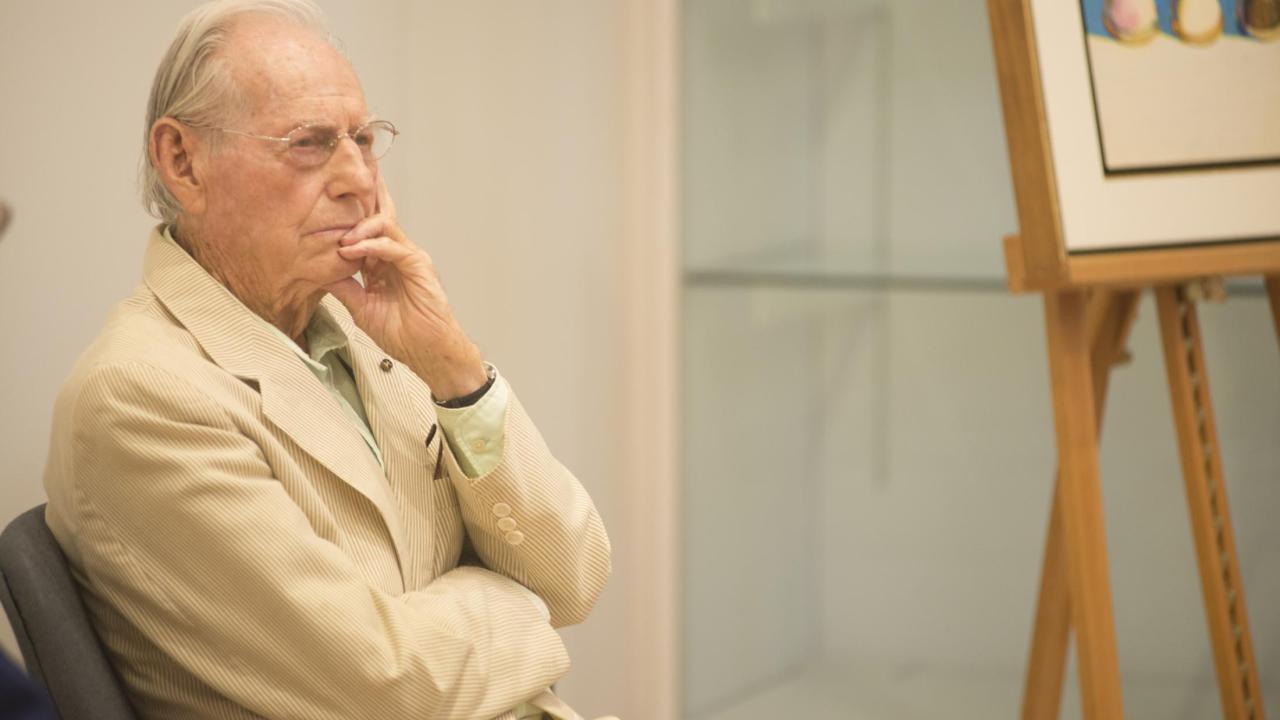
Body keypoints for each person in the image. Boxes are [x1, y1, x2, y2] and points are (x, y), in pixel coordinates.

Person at [40, 2, 612, 719]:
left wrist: (457, 373)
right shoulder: (139, 394)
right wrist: (520, 605)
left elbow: (575, 574)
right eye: (309, 143)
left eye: (364, 140)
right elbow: (388, 688)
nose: (357, 180)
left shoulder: (364, 324)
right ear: (182, 161)